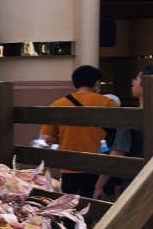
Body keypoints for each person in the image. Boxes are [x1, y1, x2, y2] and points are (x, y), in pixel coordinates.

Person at [39, 65, 118, 199]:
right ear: (97, 83)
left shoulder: (58, 104)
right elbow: (117, 133)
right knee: (92, 203)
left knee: (69, 204)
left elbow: (47, 138)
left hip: (68, 164)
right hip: (95, 164)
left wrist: (65, 138)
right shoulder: (107, 103)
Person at [95, 65, 153, 200]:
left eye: (136, 80)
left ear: (146, 84)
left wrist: (99, 184)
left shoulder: (130, 117)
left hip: (135, 182)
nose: (133, 84)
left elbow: (118, 152)